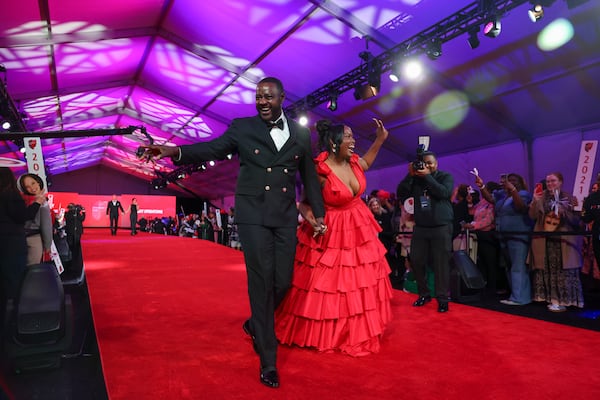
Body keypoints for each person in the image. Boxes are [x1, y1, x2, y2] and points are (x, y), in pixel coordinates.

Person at [141, 77, 326, 388]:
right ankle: (268, 358)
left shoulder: (301, 134)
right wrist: (172, 150)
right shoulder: (243, 127)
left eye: (268, 96)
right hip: (252, 214)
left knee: (283, 281)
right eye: (258, 97)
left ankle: (255, 323)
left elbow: (308, 176)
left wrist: (318, 214)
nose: (262, 102)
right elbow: (210, 148)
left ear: (281, 97)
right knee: (261, 281)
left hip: (283, 217)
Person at [275, 119, 393, 357]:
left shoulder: (353, 162)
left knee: (358, 283)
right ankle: (329, 333)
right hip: (330, 232)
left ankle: (354, 331)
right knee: (328, 287)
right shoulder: (319, 171)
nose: (353, 140)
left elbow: (367, 162)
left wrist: (380, 139)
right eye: (348, 136)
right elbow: (304, 204)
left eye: (352, 136)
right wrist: (312, 221)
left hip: (359, 228)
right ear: (333, 142)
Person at [397, 149, 454, 312]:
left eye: (430, 163)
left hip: (441, 227)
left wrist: (427, 176)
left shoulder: (445, 177)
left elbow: (444, 192)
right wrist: (410, 175)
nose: (426, 165)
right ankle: (424, 294)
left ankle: (442, 299)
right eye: (424, 163)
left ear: (436, 164)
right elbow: (401, 192)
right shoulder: (415, 179)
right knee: (416, 260)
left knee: (441, 264)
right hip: (421, 227)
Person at [529, 172, 583, 311]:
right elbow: (532, 216)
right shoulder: (542, 198)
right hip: (545, 240)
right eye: (548, 182)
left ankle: (565, 300)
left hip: (564, 241)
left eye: (553, 181)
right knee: (548, 269)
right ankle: (551, 299)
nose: (550, 184)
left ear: (560, 182)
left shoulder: (569, 198)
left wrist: (565, 212)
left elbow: (577, 222)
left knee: (563, 270)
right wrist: (535, 200)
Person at [481, 172, 533, 306]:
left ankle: (520, 298)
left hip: (518, 235)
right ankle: (515, 294)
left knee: (518, 266)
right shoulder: (502, 196)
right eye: (509, 180)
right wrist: (481, 186)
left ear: (520, 182)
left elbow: (521, 207)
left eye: (514, 180)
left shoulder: (524, 194)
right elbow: (490, 199)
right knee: (508, 267)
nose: (511, 182)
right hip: (503, 235)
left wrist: (513, 190)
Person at [0, 168, 44, 316]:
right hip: (12, 245)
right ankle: (18, 313)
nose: (31, 188)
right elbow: (22, 216)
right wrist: (37, 202)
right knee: (18, 279)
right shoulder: (11, 195)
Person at [17, 173, 53, 266]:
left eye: (33, 183)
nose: (32, 188)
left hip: (19, 239)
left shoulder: (21, 200)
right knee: (31, 270)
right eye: (27, 186)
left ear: (38, 182)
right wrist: (48, 245)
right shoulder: (42, 202)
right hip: (34, 241)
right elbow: (46, 226)